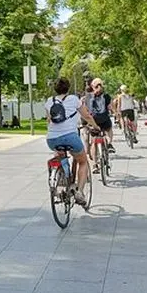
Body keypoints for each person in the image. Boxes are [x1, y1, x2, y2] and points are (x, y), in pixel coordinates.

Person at [45, 77, 97, 206]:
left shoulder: (49, 101)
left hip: (51, 139)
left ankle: (59, 178)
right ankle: (79, 191)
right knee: (83, 161)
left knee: (59, 154)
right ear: (68, 88)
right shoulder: (74, 99)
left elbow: (49, 121)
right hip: (70, 136)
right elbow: (86, 116)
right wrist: (95, 126)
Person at [87, 78, 115, 172]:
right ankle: (110, 143)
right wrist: (115, 113)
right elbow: (110, 107)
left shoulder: (88, 96)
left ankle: (95, 165)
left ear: (92, 86)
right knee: (109, 129)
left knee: (94, 142)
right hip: (104, 119)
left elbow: (86, 110)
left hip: (93, 121)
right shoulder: (106, 96)